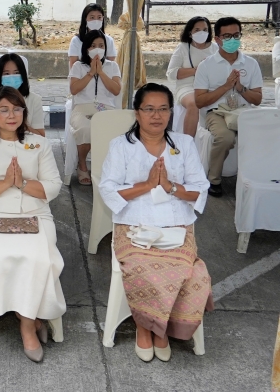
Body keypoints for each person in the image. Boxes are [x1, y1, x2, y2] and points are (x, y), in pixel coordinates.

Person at [99, 83, 213, 363]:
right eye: (149, 109)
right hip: (133, 225)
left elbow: (200, 188)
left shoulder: (183, 144)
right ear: (137, 114)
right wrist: (147, 185)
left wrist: (172, 187)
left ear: (171, 113)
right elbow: (108, 189)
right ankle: (144, 326)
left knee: (193, 273)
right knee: (141, 265)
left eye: (163, 109)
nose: (156, 115)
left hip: (176, 227)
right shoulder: (121, 146)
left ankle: (160, 329)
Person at [0, 87, 65, 363]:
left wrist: (22, 183)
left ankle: (26, 323)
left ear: (24, 112)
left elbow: (53, 187)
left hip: (34, 214)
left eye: (17, 109)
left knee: (39, 258)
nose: (11, 115)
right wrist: (6, 183)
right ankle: (30, 319)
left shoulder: (39, 143)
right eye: (4, 109)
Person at [193, 16, 263, 197]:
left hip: (244, 112)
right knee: (225, 137)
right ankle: (214, 179)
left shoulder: (250, 63)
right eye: (227, 36)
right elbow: (200, 101)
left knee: (266, 133)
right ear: (217, 39)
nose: (232, 40)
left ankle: (257, 177)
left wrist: (239, 88)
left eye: (236, 35)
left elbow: (257, 99)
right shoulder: (207, 65)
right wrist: (225, 86)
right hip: (217, 112)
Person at [69, 29, 122, 185]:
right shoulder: (78, 66)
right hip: (82, 108)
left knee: (109, 129)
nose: (97, 49)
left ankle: (106, 167)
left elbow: (116, 90)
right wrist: (91, 72)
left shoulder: (112, 66)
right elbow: (74, 89)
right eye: (93, 46)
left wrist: (101, 72)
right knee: (85, 128)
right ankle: (82, 164)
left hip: (105, 109)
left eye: (101, 45)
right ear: (86, 48)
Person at [166, 17, 218, 137]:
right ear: (190, 33)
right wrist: (196, 70)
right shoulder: (183, 48)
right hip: (187, 87)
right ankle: (188, 142)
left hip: (211, 87)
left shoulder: (215, 49)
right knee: (194, 104)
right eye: (197, 30)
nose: (202, 33)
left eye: (205, 30)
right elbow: (172, 73)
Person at [0, 53, 45, 138]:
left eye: (16, 73)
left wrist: (20, 124)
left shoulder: (34, 100)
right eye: (7, 74)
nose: (12, 77)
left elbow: (41, 136)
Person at [68, 3, 117, 70]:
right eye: (92, 17)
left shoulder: (109, 40)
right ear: (85, 19)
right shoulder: (76, 41)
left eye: (99, 17)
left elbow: (111, 67)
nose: (96, 21)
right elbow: (73, 68)